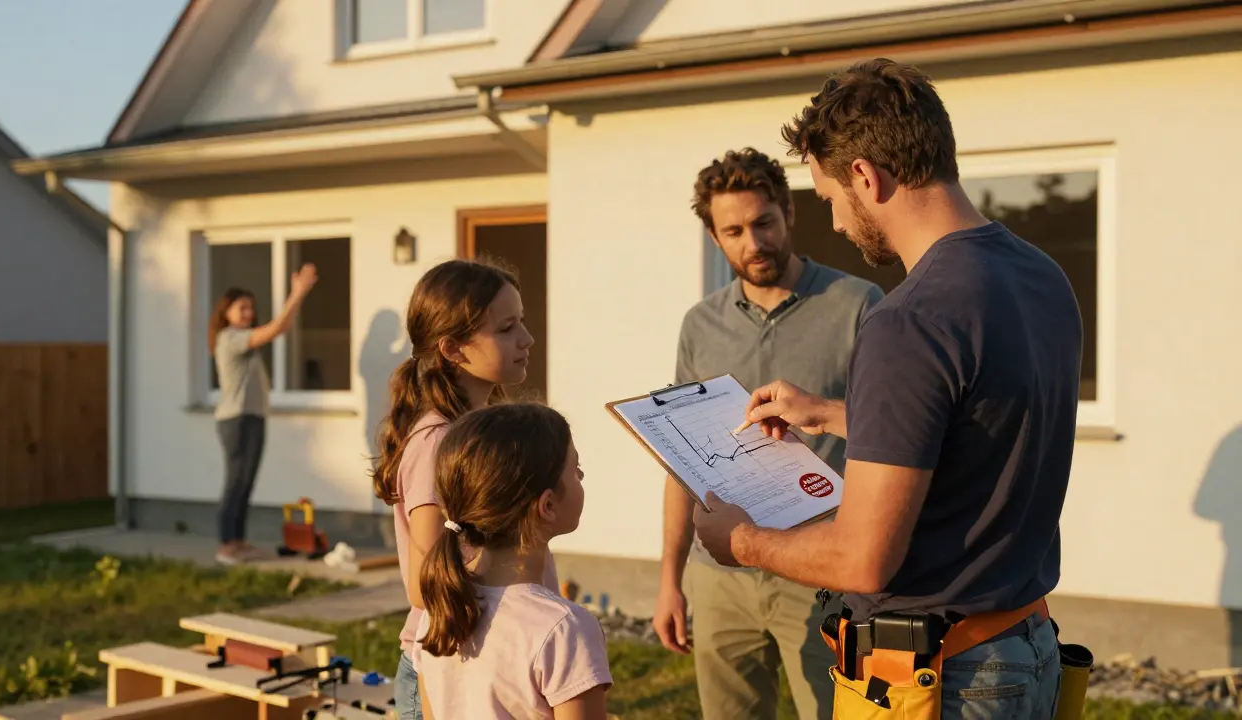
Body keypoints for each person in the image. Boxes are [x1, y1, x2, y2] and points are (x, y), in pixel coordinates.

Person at [694, 58, 1081, 719]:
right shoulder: (1041, 276)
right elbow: (976, 426)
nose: (838, 222)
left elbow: (863, 559)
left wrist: (743, 541)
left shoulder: (909, 320)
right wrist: (833, 413)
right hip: (1026, 645)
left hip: (944, 679)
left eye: (829, 198)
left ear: (867, 177)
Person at [652, 148, 883, 720]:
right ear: (714, 236)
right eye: (733, 231)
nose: (752, 243)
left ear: (788, 214)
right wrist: (669, 579)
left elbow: (892, 434)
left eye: (763, 223)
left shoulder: (858, 305)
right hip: (720, 574)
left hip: (819, 563)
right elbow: (681, 463)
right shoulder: (698, 324)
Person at [370, 259, 557, 720]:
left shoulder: (480, 430)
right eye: (507, 328)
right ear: (453, 349)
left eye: (523, 323)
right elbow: (422, 584)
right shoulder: (437, 441)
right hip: (448, 671)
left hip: (496, 653)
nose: (527, 339)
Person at [414, 403, 612, 719]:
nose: (582, 476)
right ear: (547, 505)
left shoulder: (441, 606)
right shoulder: (565, 629)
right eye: (576, 469)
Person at [208, 263, 319, 566]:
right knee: (235, 480)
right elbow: (275, 329)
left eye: (250, 308)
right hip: (236, 419)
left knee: (246, 481)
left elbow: (280, 327)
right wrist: (298, 293)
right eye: (241, 307)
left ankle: (238, 542)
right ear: (226, 312)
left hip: (252, 417)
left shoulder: (245, 341)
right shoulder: (229, 338)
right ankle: (226, 545)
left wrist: (297, 298)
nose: (247, 313)